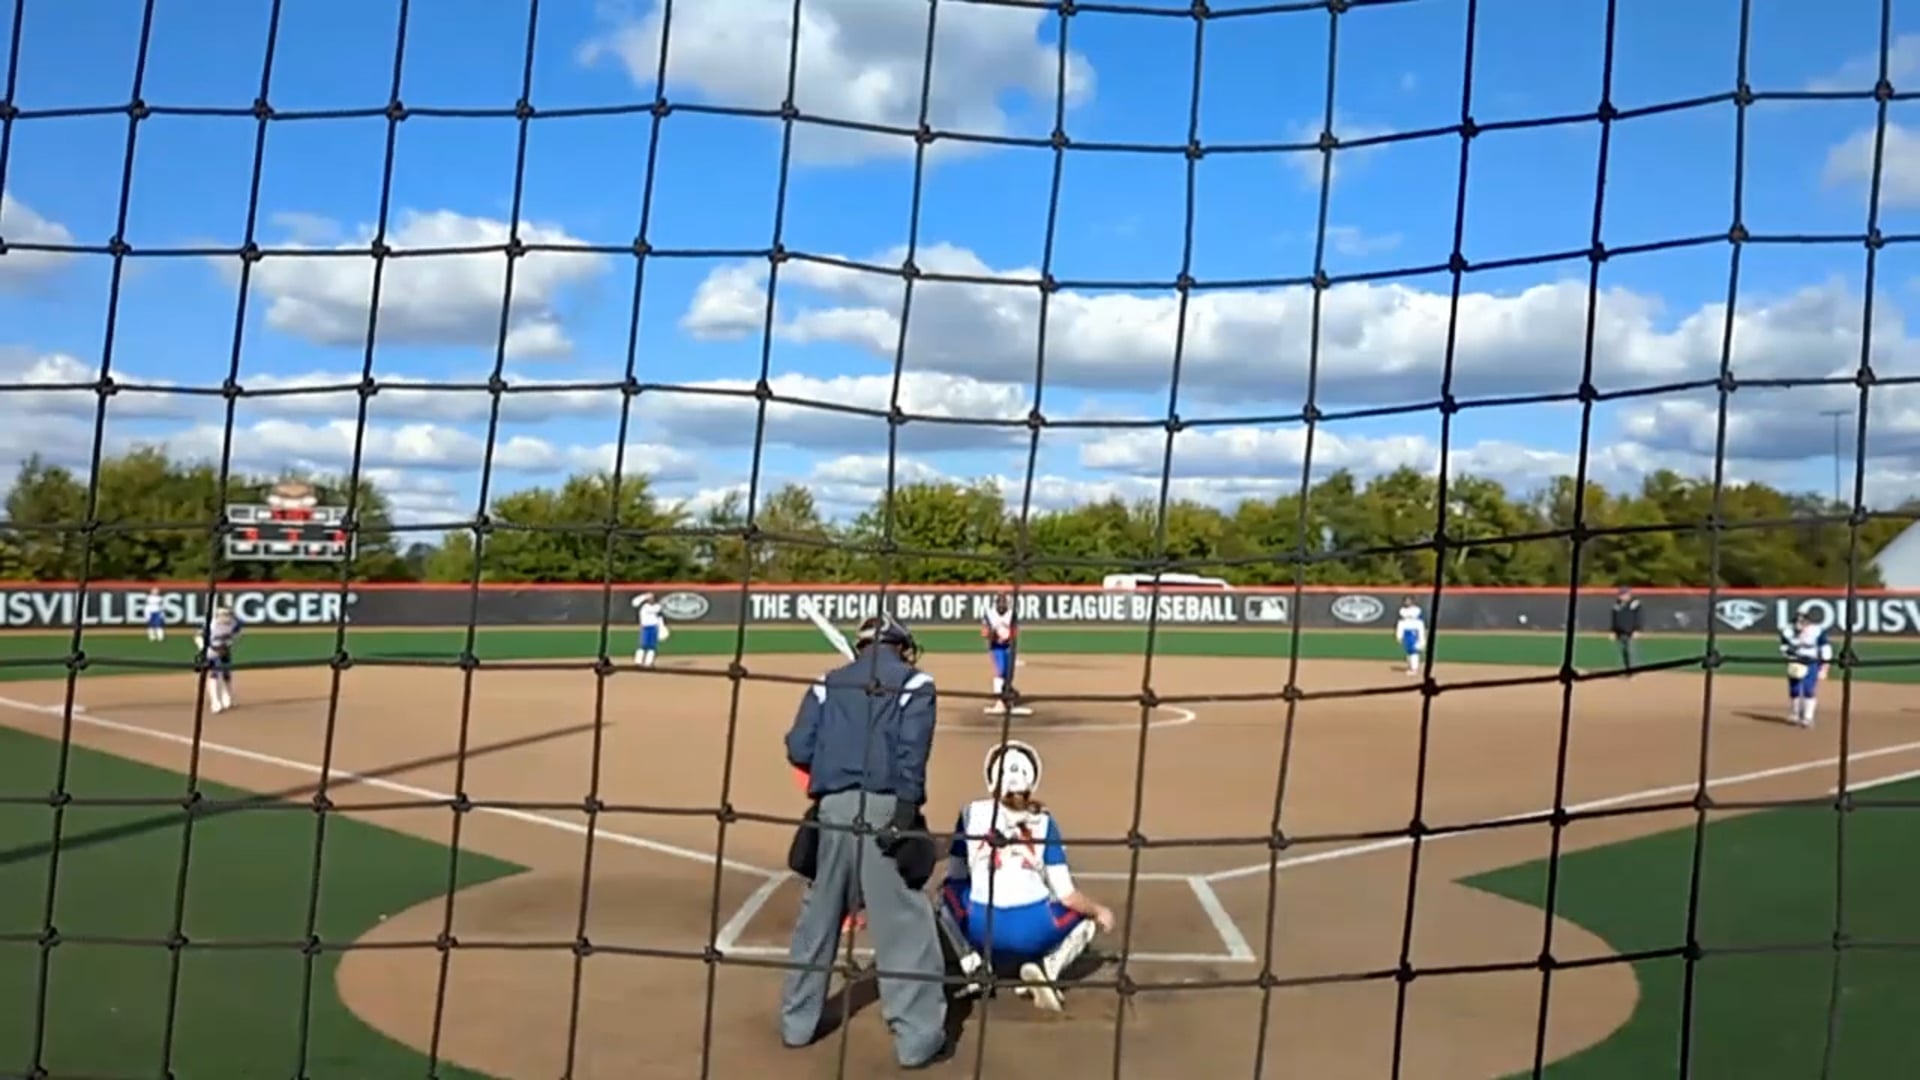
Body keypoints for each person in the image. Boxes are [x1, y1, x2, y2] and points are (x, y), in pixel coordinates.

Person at [780, 616, 949, 1069]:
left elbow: (799, 747)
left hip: (831, 811)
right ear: (901, 646)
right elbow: (913, 751)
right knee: (903, 924)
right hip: (885, 809)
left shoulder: (826, 683)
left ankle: (797, 1024)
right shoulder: (916, 683)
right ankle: (917, 1040)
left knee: (818, 918)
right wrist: (906, 809)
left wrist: (838, 762)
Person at [937, 740, 1115, 1013]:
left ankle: (974, 966)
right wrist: (1099, 910)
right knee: (1086, 917)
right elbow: (1068, 896)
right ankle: (1047, 969)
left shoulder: (970, 814)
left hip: (982, 926)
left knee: (945, 897)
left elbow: (956, 874)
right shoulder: (1045, 821)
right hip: (1035, 929)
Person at [1780, 607, 1834, 729]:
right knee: (1794, 689)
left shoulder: (1816, 631)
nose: (1799, 625)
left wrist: (1824, 667)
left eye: (1802, 622)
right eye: (1797, 622)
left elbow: (1825, 649)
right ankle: (1795, 714)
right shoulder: (1788, 632)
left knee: (1808, 689)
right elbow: (1783, 647)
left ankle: (1808, 717)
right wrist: (1789, 656)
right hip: (1795, 661)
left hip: (1811, 662)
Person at [194, 603, 243, 714]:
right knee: (214, 674)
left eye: (227, 614)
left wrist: (230, 643)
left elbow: (238, 633)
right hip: (211, 651)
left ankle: (227, 696)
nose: (224, 617)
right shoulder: (211, 625)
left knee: (226, 674)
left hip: (224, 650)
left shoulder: (234, 623)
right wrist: (204, 650)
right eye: (222, 614)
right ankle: (215, 701)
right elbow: (198, 637)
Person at [981, 592, 1017, 713]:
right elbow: (984, 632)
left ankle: (1008, 694)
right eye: (1000, 603)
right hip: (996, 646)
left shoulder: (1011, 614)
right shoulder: (990, 614)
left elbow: (1015, 631)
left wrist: (1008, 637)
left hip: (1009, 646)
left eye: (1004, 603)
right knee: (1000, 671)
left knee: (1008, 674)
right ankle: (999, 701)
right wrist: (994, 636)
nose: (1002, 606)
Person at [1610, 586, 1643, 676]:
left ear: (1629, 595)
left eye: (1624, 594)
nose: (1622, 596)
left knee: (1630, 651)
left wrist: (1637, 629)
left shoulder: (1634, 604)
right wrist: (1613, 631)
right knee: (1624, 651)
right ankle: (1626, 670)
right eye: (1621, 594)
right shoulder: (1617, 605)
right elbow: (1614, 619)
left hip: (1630, 631)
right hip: (1620, 632)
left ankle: (1633, 670)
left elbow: (1639, 617)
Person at [632, 592, 668, 668]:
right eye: (649, 598)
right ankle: (638, 662)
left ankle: (649, 662)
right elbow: (634, 602)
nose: (651, 599)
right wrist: (644, 596)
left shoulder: (657, 607)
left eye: (652, 598)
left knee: (652, 646)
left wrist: (662, 627)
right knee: (642, 645)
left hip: (654, 627)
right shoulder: (643, 606)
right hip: (645, 627)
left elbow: (659, 617)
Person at [1394, 595, 1426, 676]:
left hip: (1414, 631)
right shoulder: (1402, 610)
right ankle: (1411, 666)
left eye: (1409, 600)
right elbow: (1401, 623)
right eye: (1405, 600)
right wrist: (1399, 635)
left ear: (1412, 601)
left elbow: (1420, 624)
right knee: (1408, 650)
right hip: (1406, 632)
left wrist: (1421, 638)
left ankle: (1414, 668)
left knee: (1414, 650)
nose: (1407, 602)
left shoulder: (1417, 610)